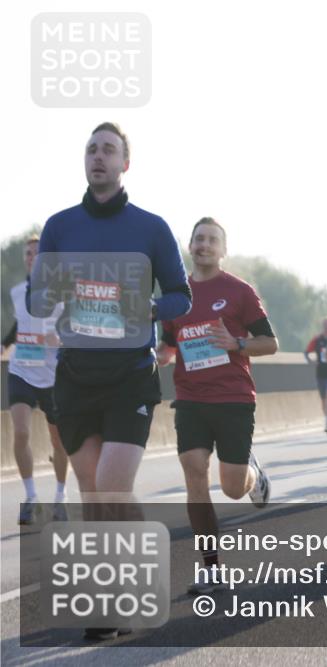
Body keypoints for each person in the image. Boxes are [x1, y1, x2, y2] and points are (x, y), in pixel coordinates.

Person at [27, 122, 192, 642]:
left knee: (112, 485)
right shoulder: (59, 226)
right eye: (91, 149)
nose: (98, 156)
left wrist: (148, 305)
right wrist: (56, 292)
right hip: (76, 375)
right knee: (94, 496)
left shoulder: (151, 227)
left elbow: (181, 297)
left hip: (130, 375)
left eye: (108, 150)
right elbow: (37, 301)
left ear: (125, 163)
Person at [155, 217, 277, 594]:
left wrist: (236, 344)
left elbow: (269, 343)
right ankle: (211, 568)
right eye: (199, 239)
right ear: (189, 246)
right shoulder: (176, 296)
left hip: (233, 398)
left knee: (233, 488)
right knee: (194, 473)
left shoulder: (239, 291)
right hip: (190, 398)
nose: (204, 245)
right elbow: (169, 344)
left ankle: (253, 475)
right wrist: (159, 355)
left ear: (223, 250)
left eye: (212, 240)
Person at [3, 237, 69, 524]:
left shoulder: (62, 294)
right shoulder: (18, 291)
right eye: (27, 253)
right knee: (20, 432)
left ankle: (60, 496)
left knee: (59, 442)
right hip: (22, 371)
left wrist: (61, 338)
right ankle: (30, 498)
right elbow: (21, 324)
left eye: (37, 253)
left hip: (52, 376)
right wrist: (4, 344)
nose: (31, 257)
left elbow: (74, 328)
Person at [305, 318, 327, 435]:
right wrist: (311, 361)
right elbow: (306, 352)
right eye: (325, 325)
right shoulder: (317, 339)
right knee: (324, 399)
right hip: (321, 372)